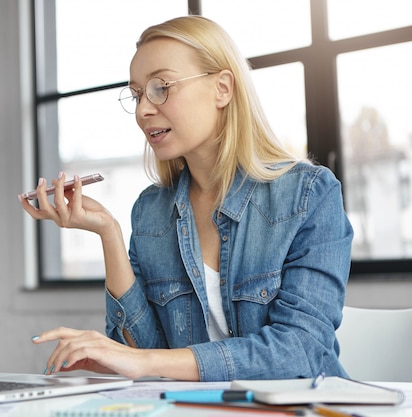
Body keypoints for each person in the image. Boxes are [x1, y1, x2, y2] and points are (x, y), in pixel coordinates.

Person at [19, 15, 353, 382]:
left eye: (162, 87)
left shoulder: (309, 195)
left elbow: (300, 351)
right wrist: (108, 233)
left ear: (222, 88)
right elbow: (142, 355)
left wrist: (144, 362)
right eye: (137, 94)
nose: (144, 109)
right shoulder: (150, 212)